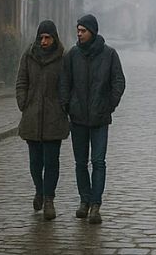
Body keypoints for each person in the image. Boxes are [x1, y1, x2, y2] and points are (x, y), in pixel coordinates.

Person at [59, 13, 126, 224]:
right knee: (80, 163)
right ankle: (84, 201)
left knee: (98, 161)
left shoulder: (109, 55)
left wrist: (109, 105)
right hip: (78, 118)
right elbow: (64, 83)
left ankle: (96, 204)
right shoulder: (72, 55)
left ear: (93, 32)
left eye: (83, 31)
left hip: (99, 118)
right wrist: (68, 105)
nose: (79, 34)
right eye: (78, 31)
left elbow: (118, 82)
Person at [15, 20, 70, 221]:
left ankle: (49, 199)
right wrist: (23, 102)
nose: (44, 41)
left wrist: (63, 106)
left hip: (54, 118)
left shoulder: (63, 58)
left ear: (54, 38)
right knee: (35, 162)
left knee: (51, 162)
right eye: (41, 38)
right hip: (32, 116)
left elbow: (67, 85)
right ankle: (39, 190)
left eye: (48, 37)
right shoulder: (29, 56)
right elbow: (21, 81)